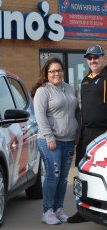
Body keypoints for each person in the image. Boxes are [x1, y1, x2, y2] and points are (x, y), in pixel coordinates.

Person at [31, 57, 79, 225]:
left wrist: (77, 133)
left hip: (68, 140)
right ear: (46, 73)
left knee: (64, 178)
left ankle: (58, 209)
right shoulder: (43, 91)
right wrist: (49, 136)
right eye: (52, 71)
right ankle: (47, 211)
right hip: (50, 140)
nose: (56, 73)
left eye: (59, 70)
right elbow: (40, 116)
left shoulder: (70, 89)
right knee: (53, 175)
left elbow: (76, 111)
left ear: (63, 71)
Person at [68, 45, 107, 223]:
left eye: (96, 57)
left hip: (103, 133)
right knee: (83, 172)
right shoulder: (85, 80)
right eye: (89, 58)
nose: (93, 61)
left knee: (101, 173)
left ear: (103, 58)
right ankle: (82, 209)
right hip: (87, 133)